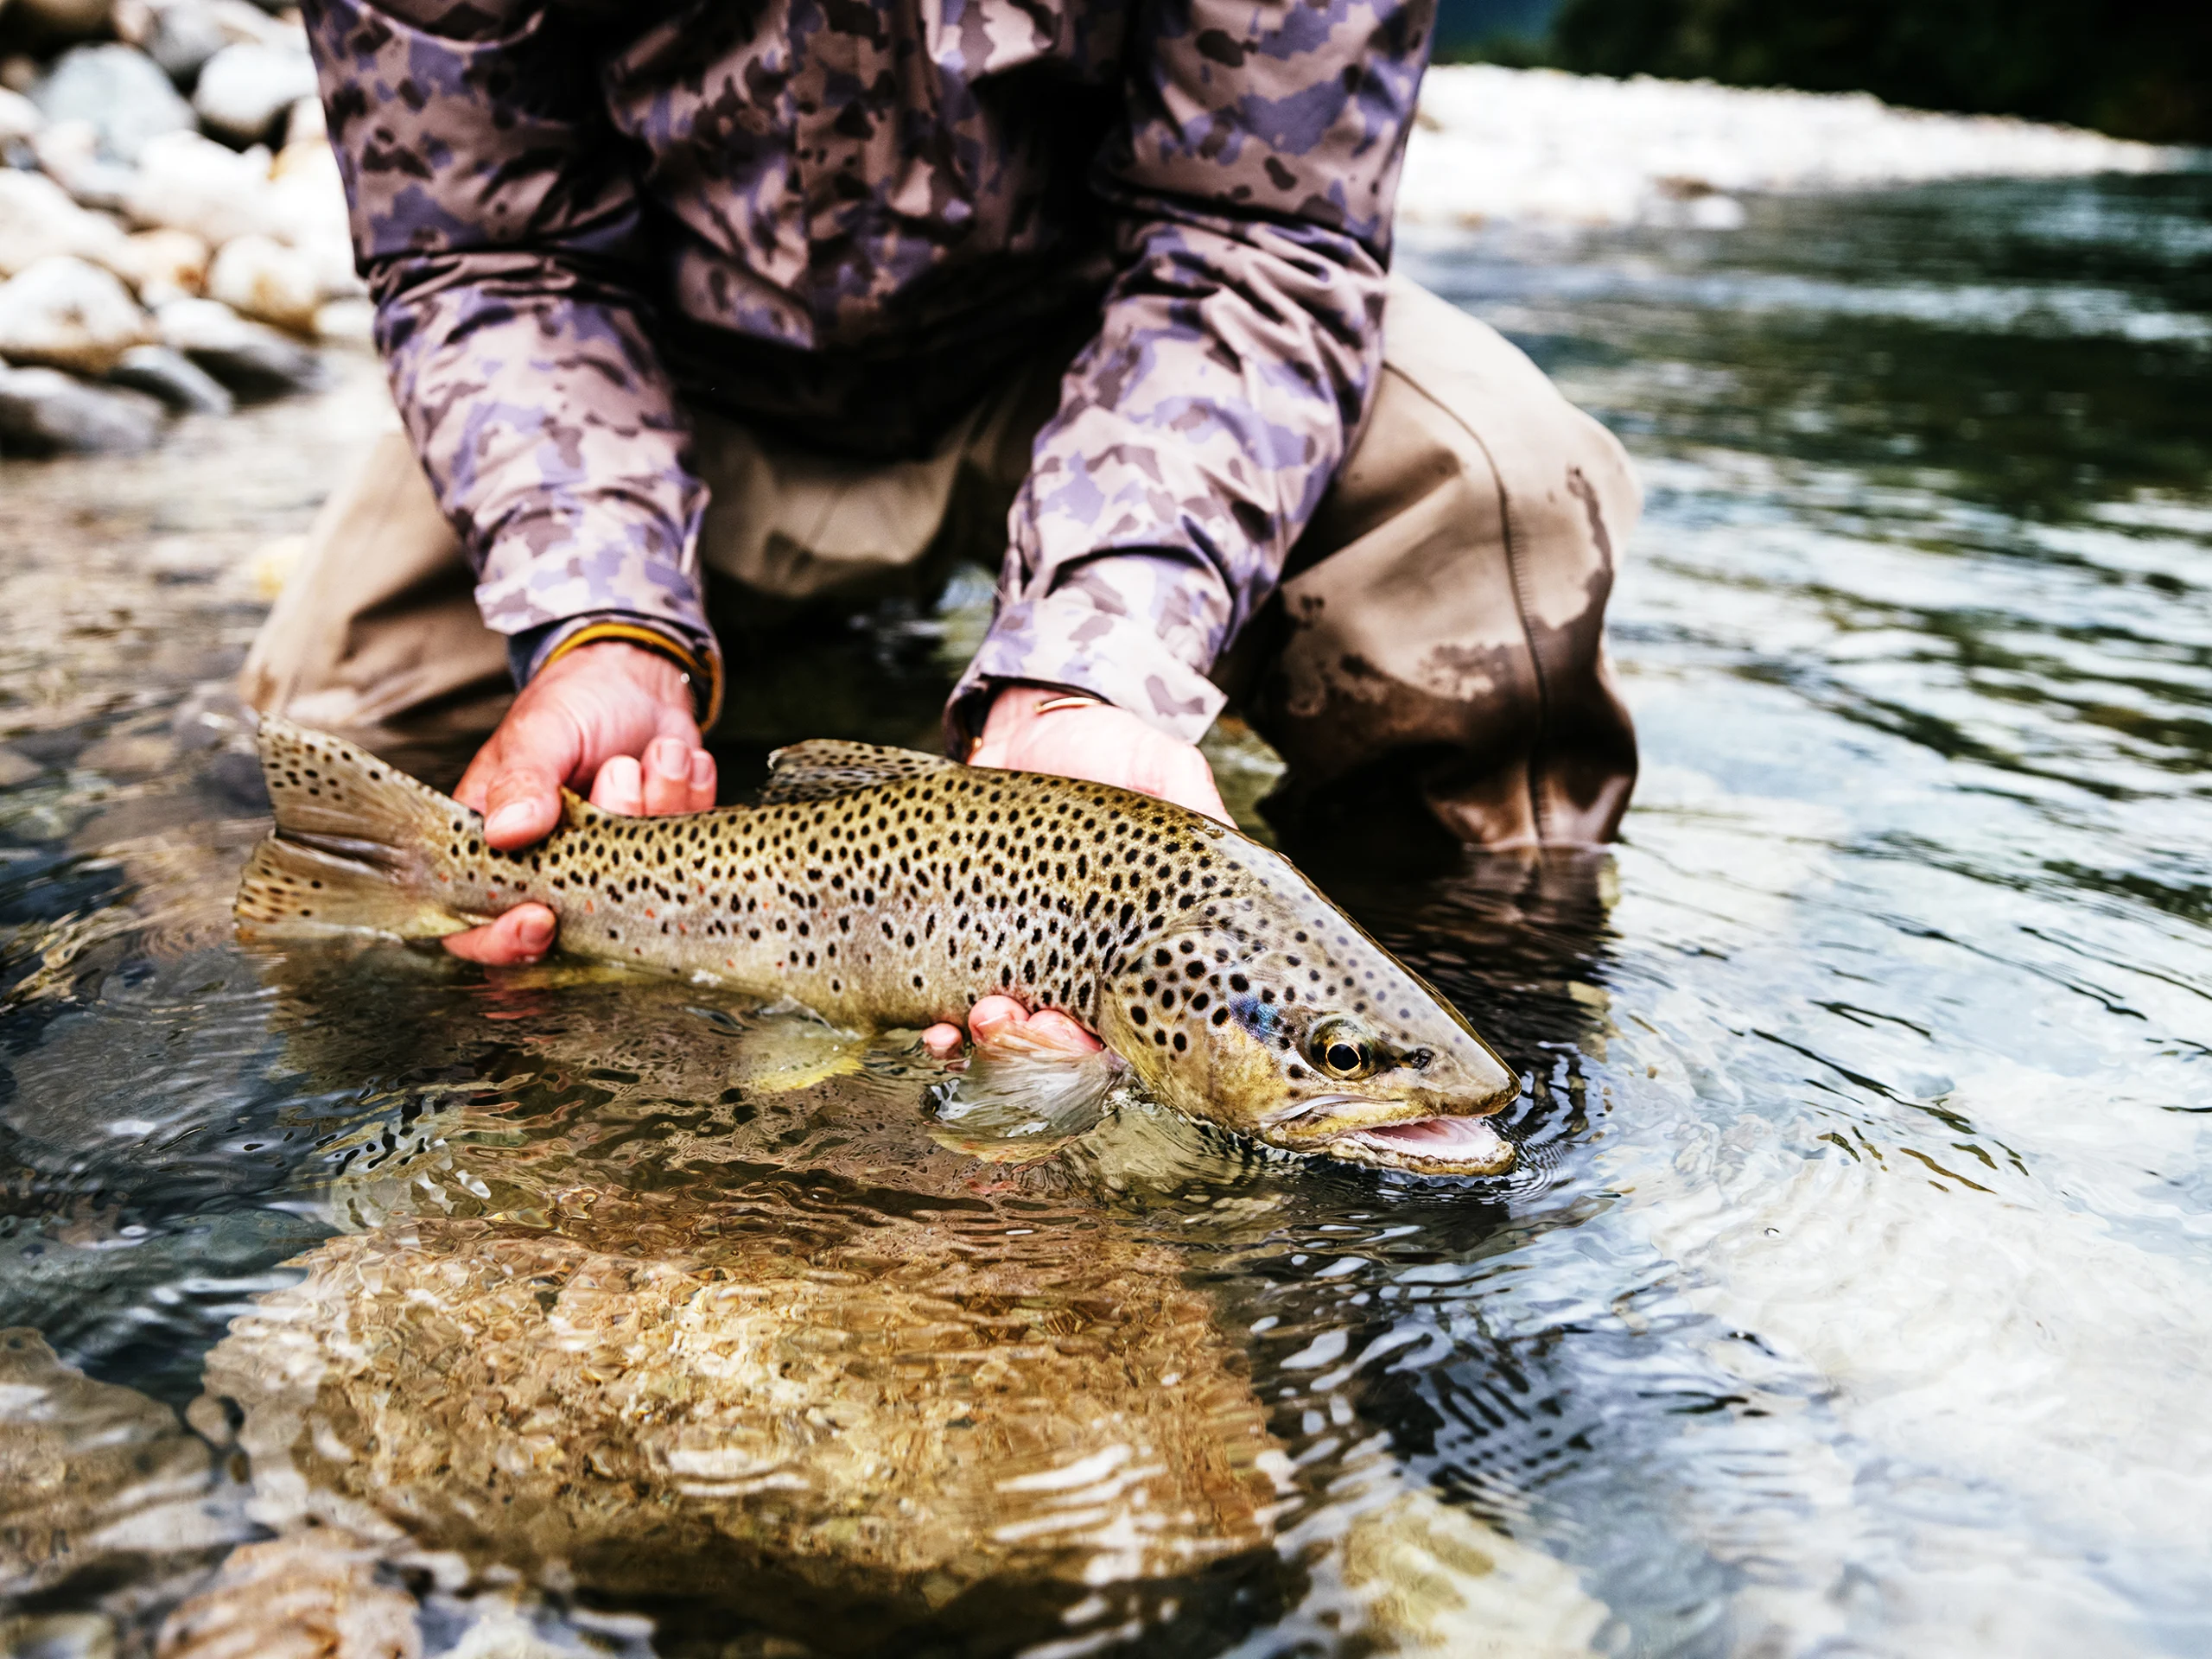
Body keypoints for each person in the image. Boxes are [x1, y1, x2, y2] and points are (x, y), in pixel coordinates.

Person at [244, 0, 1643, 1051]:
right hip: (668, 389)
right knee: (351, 733)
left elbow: (1253, 246)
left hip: (1101, 367)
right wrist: (600, 625)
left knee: (1501, 505)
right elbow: (490, 255)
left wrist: (1099, 668)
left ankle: (1468, 1022)